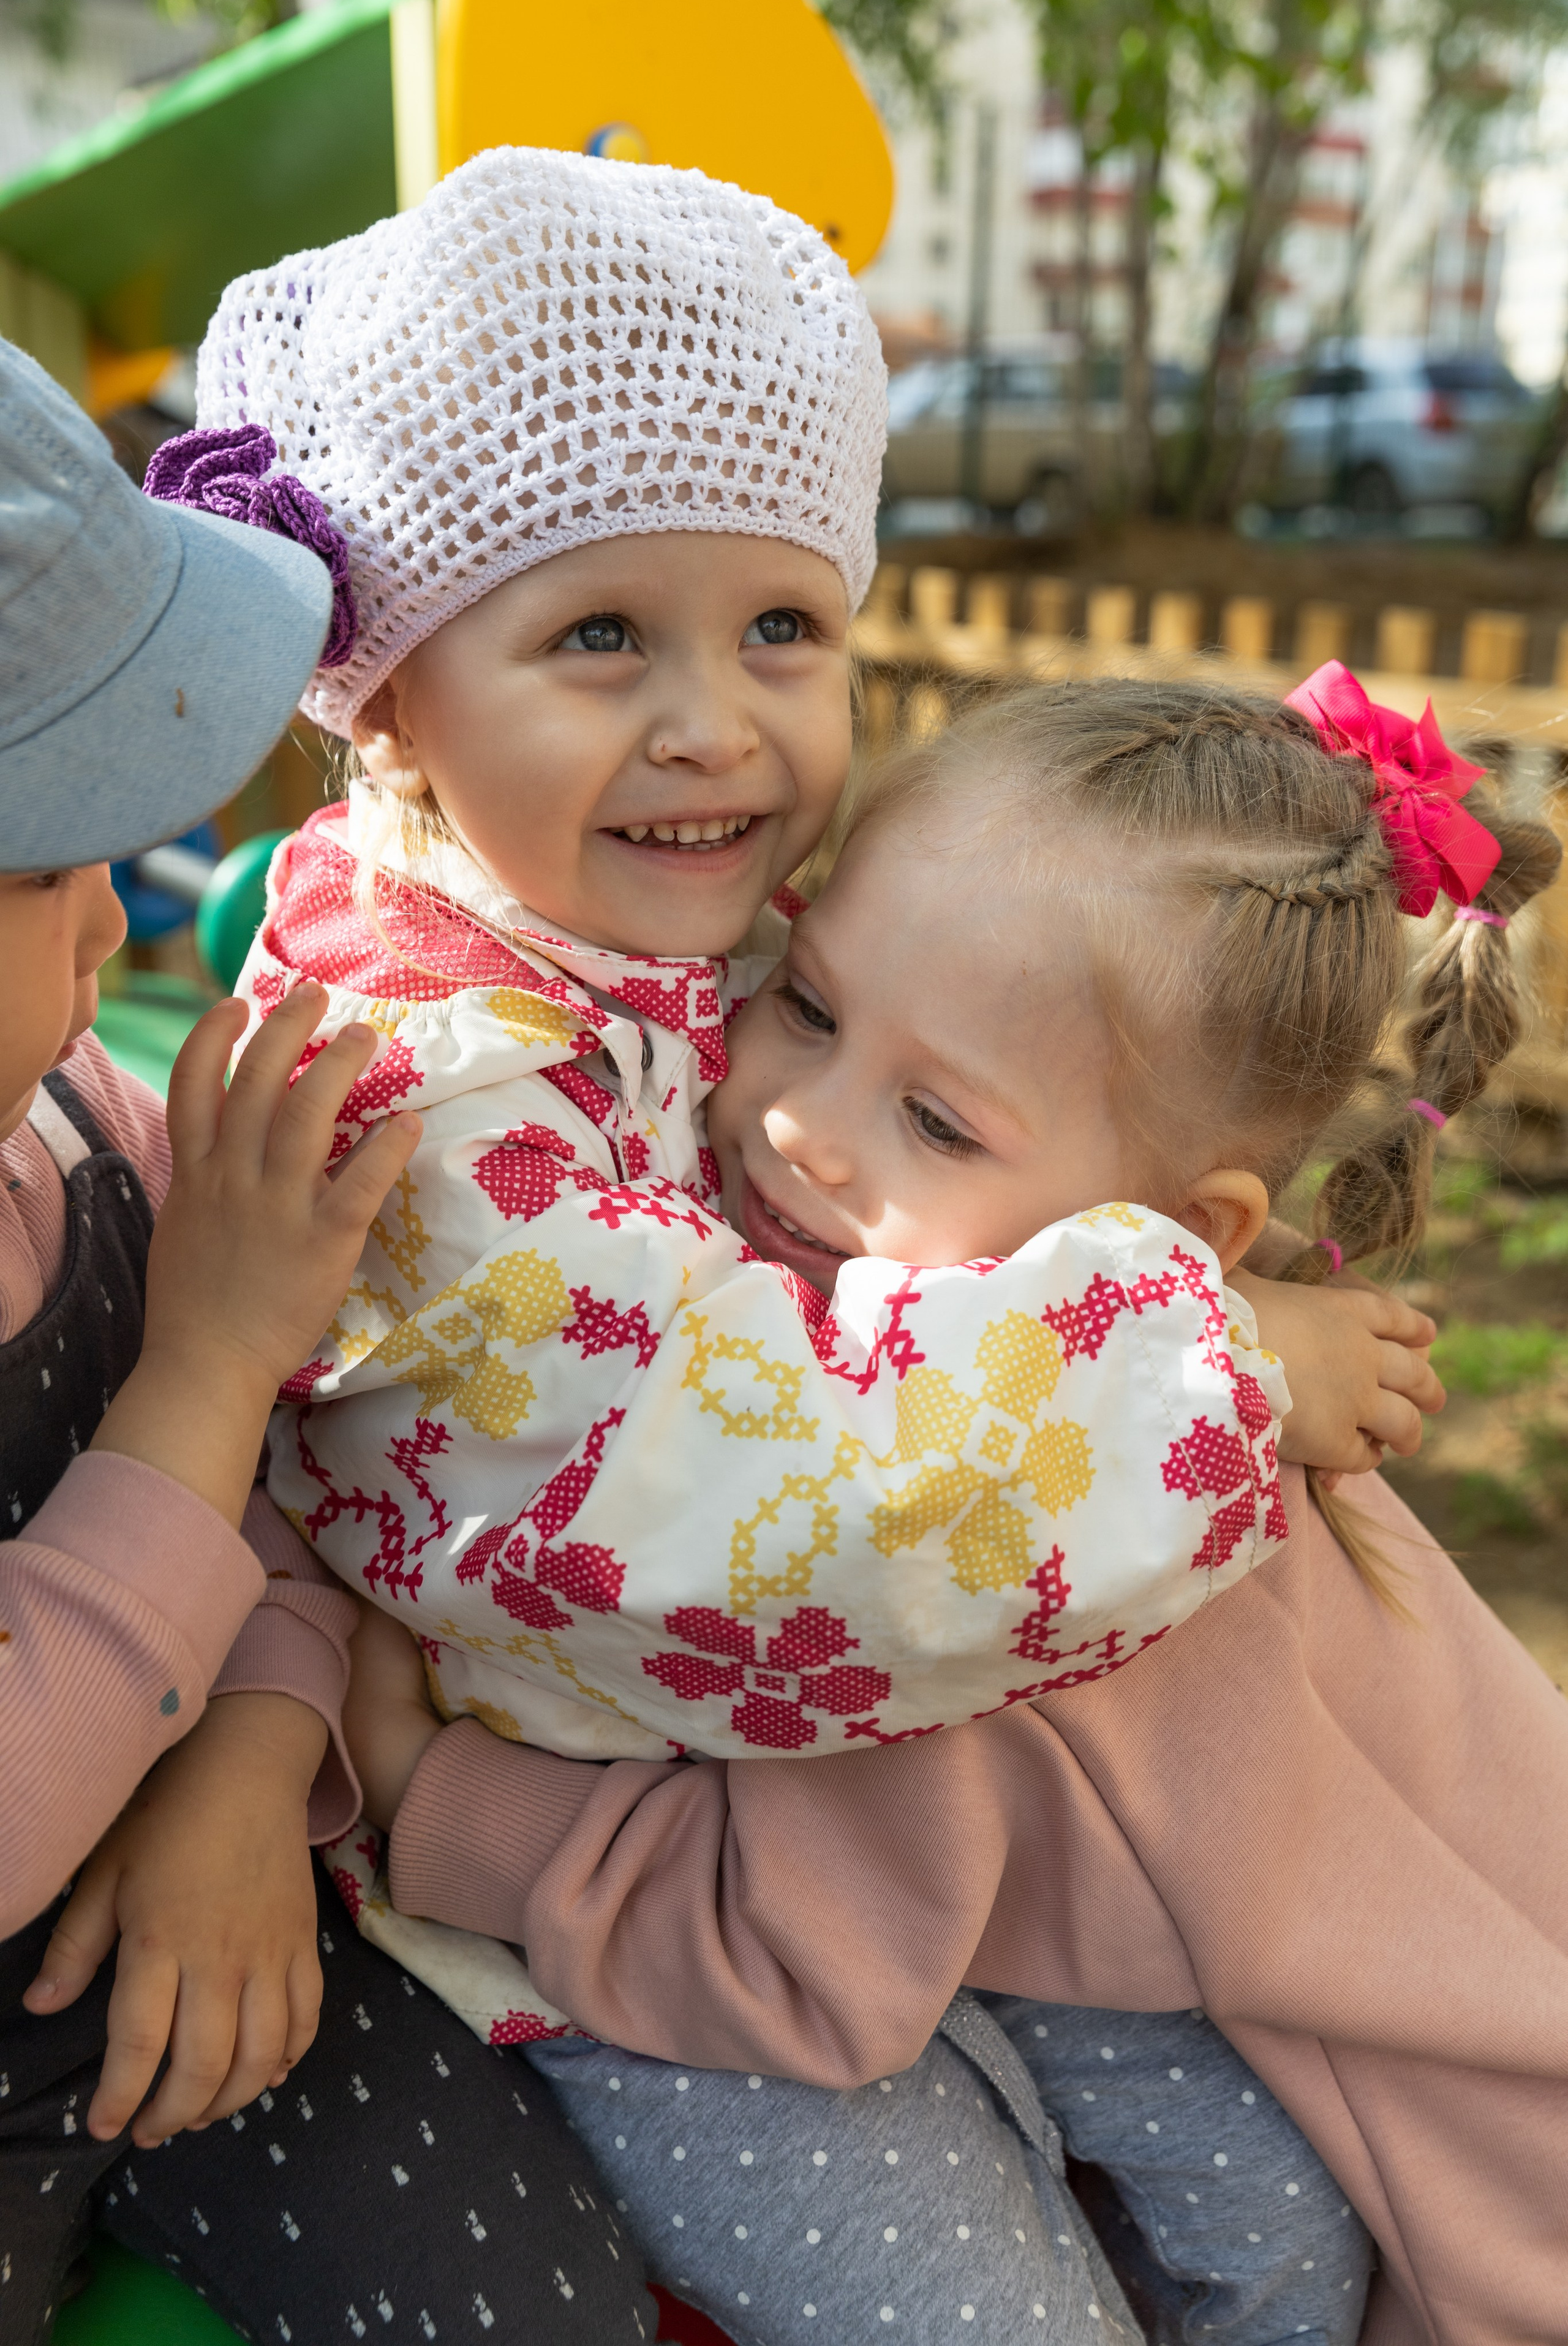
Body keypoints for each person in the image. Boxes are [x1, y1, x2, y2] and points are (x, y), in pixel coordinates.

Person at [121, 149, 1446, 2343]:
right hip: (585, 1919)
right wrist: (1207, 1364)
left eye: (782, 627)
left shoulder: (598, 941)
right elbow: (770, 1511)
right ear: (396, 691)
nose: (716, 721)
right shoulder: (427, 1094)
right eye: (600, 635)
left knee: (1281, 2213)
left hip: (798, 1820)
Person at [344, 673, 1568, 2346]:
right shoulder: (732, 1258)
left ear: (1172, 1240)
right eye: (808, 1003)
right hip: (665, 1963)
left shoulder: (1013, 1521)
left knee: (1271, 2227)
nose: (796, 1127)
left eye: (934, 1119)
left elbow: (822, 1923)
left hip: (714, 1932)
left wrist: (440, 1797)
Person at [0, 340, 660, 2344]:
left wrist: (255, 1756)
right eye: (45, 865)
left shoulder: (72, 1123)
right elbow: (218, 1410)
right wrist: (203, 1369)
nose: (116, 926)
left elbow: (298, 1474)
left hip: (199, 1929)